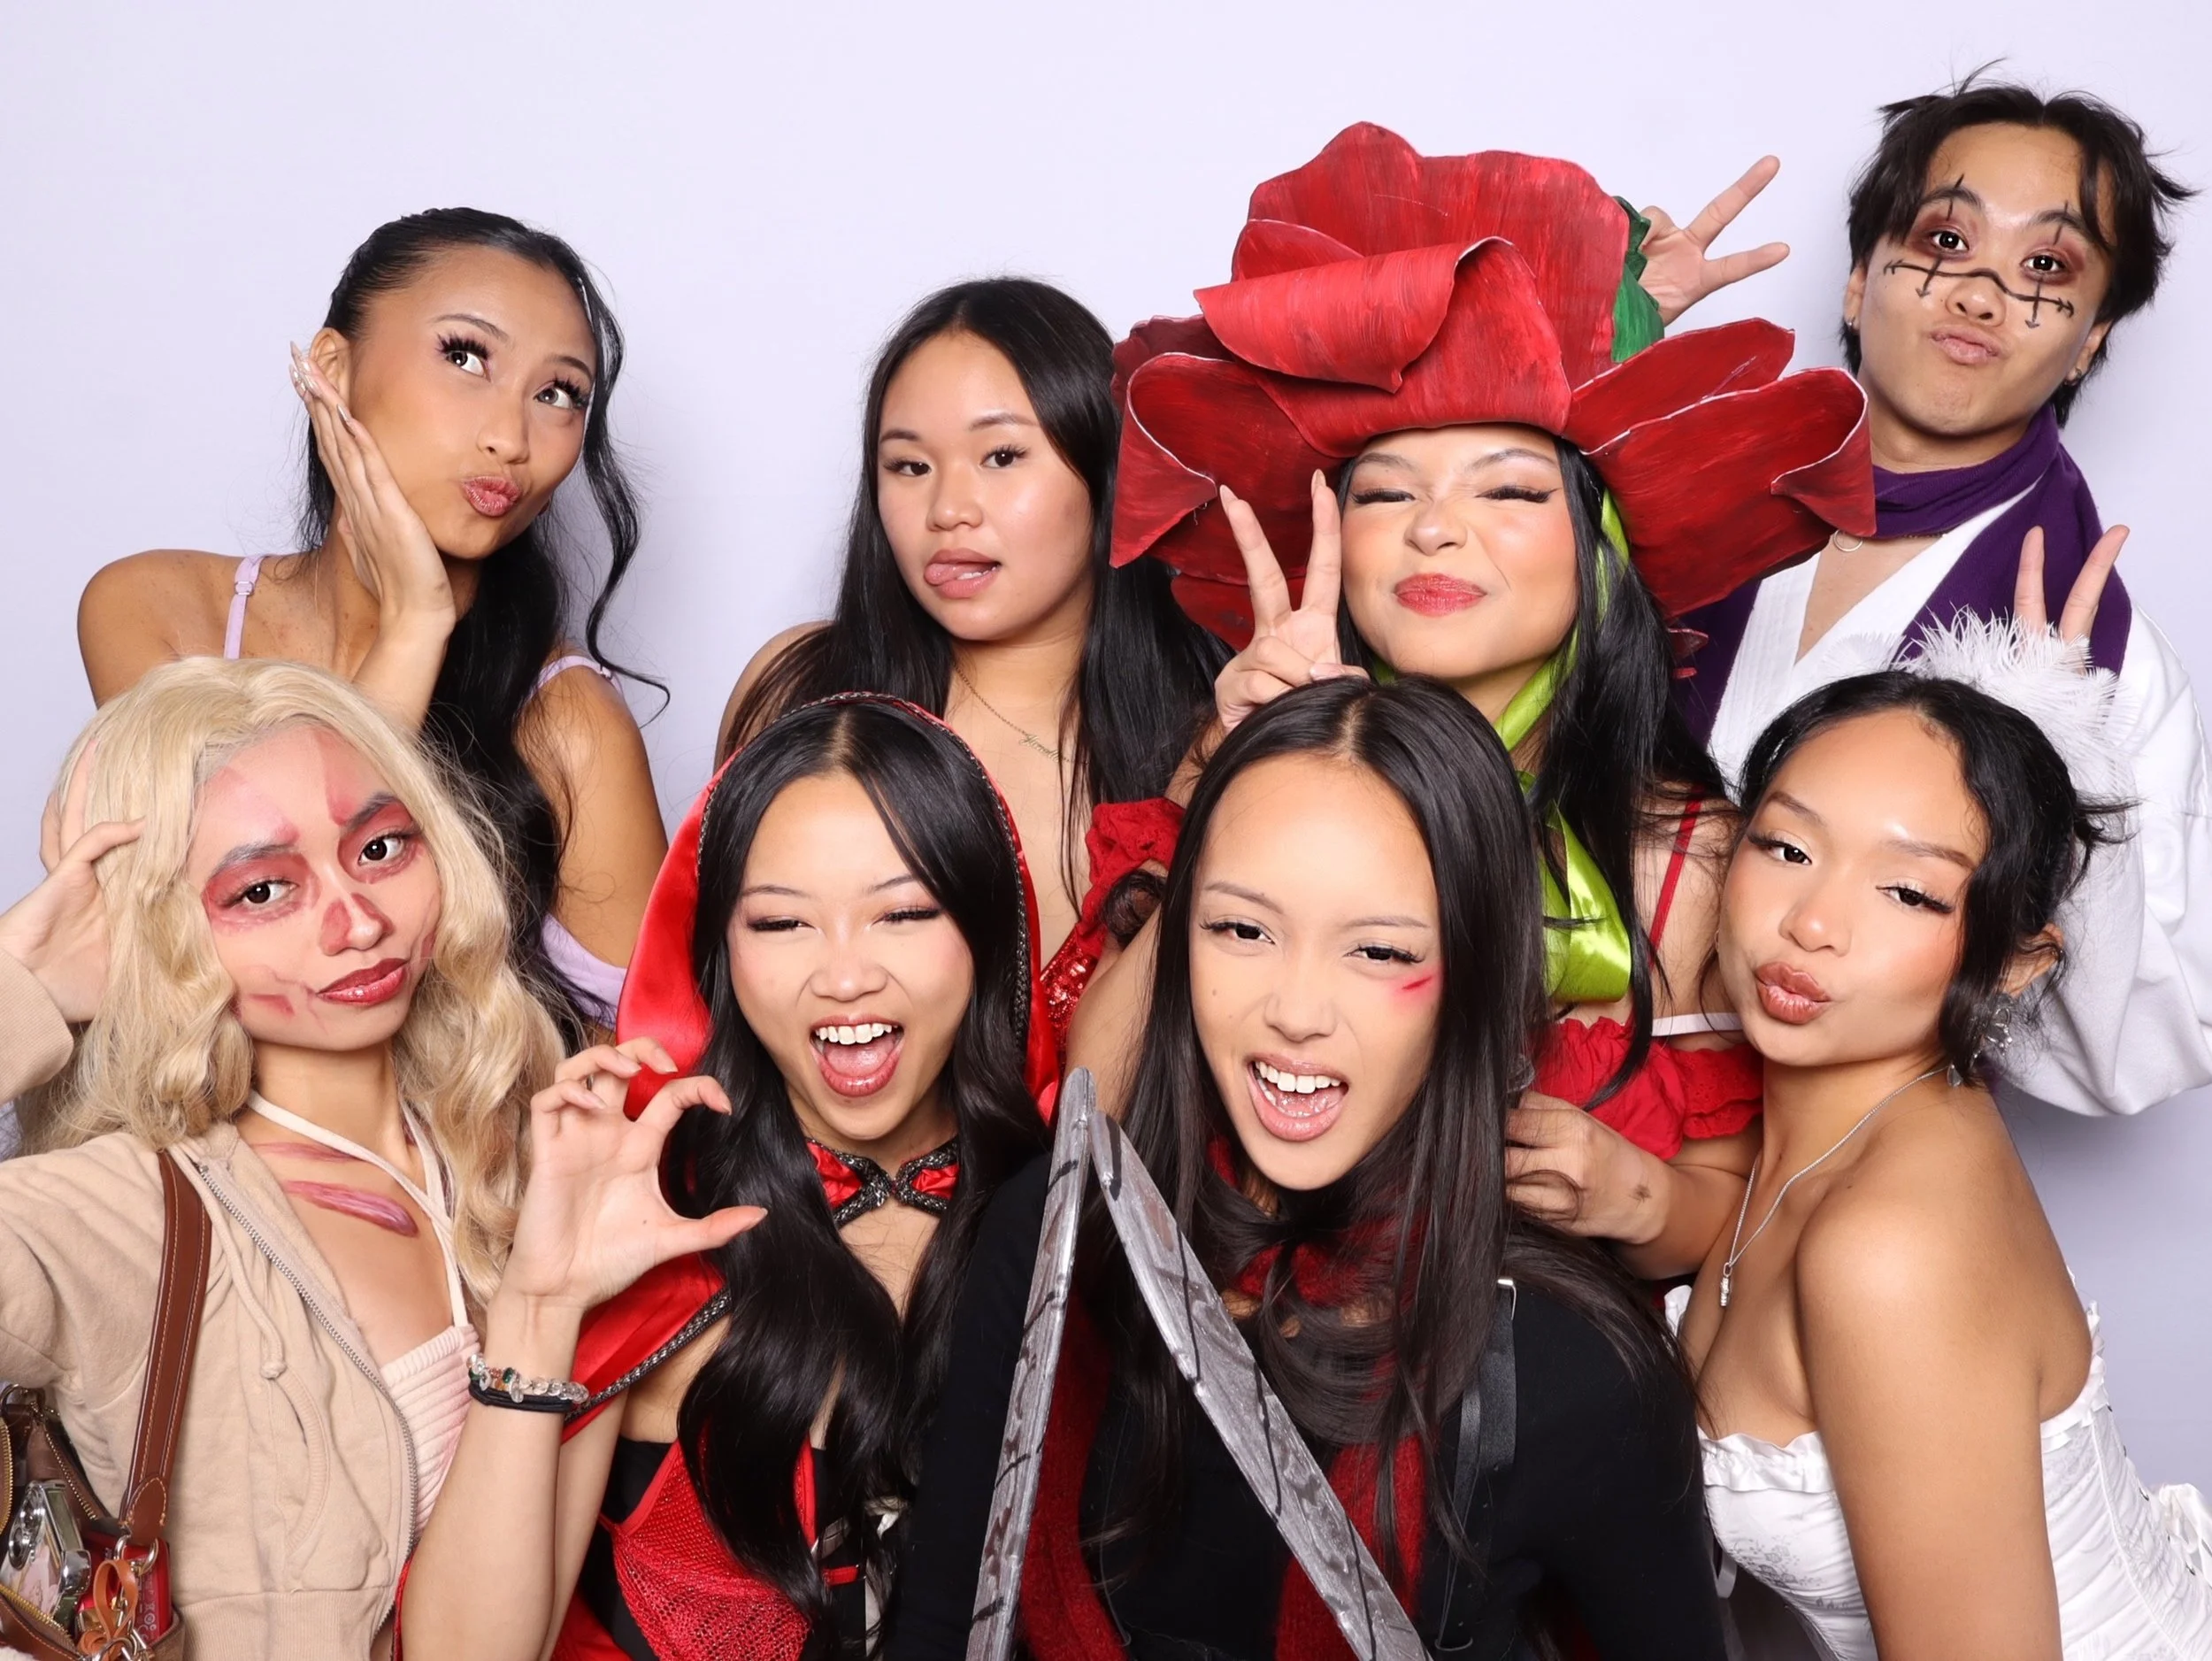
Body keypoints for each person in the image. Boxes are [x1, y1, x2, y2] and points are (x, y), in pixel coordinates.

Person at [1089, 123, 1873, 1274]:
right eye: (1386, 491)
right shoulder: (1241, 768)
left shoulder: (1684, 863)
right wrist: (1242, 777)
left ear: (1601, 550)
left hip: (1546, 1405)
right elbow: (1094, 1124)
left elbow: (1761, 1230)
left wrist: (1637, 1193)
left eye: (1506, 488)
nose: (1433, 526)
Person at [893, 675, 1724, 1660]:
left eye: (1376, 950)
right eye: (1241, 929)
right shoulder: (1058, 1235)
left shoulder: (1569, 1367)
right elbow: (941, 1623)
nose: (1295, 1008)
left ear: (1474, 973)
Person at [399, 696, 1055, 1661]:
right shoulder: (657, 1218)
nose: (842, 975)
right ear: (718, 952)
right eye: (783, 922)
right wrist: (541, 1302)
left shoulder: (1063, 1223)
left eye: (904, 911)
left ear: (988, 929)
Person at [0, 656, 559, 1658]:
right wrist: (21, 986)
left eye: (382, 846)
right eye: (264, 888)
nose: (358, 921)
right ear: (158, 928)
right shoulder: (127, 1210)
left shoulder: (516, 1135)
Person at [1673, 76, 2209, 1115]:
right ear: (1856, 278)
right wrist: (1597, 352)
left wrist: (2061, 763)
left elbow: (2148, 1045)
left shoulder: (2090, 647)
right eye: (1946, 243)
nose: (1980, 296)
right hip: (1546, 1135)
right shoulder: (1676, 510)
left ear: (2089, 339)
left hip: (1837, 1178)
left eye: (2046, 266)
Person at [1672, 649, 2212, 1658]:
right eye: (1787, 847)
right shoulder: (1846, 1134)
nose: (1811, 923)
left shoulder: (1891, 1240)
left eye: (1909, 893)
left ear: (2013, 960)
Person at [76, 208, 668, 1037]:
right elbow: (230, 914)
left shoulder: (570, 725)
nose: (510, 437)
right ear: (331, 366)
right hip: (186, 1151)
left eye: (558, 393)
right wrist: (414, 627)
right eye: (465, 357)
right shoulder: (159, 612)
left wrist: (418, 626)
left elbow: (643, 1065)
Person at [717, 279, 1229, 1059]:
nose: (948, 508)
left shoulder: (1211, 722)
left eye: (1001, 455)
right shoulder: (801, 690)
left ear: (1104, 466)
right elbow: (716, 1013)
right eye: (909, 465)